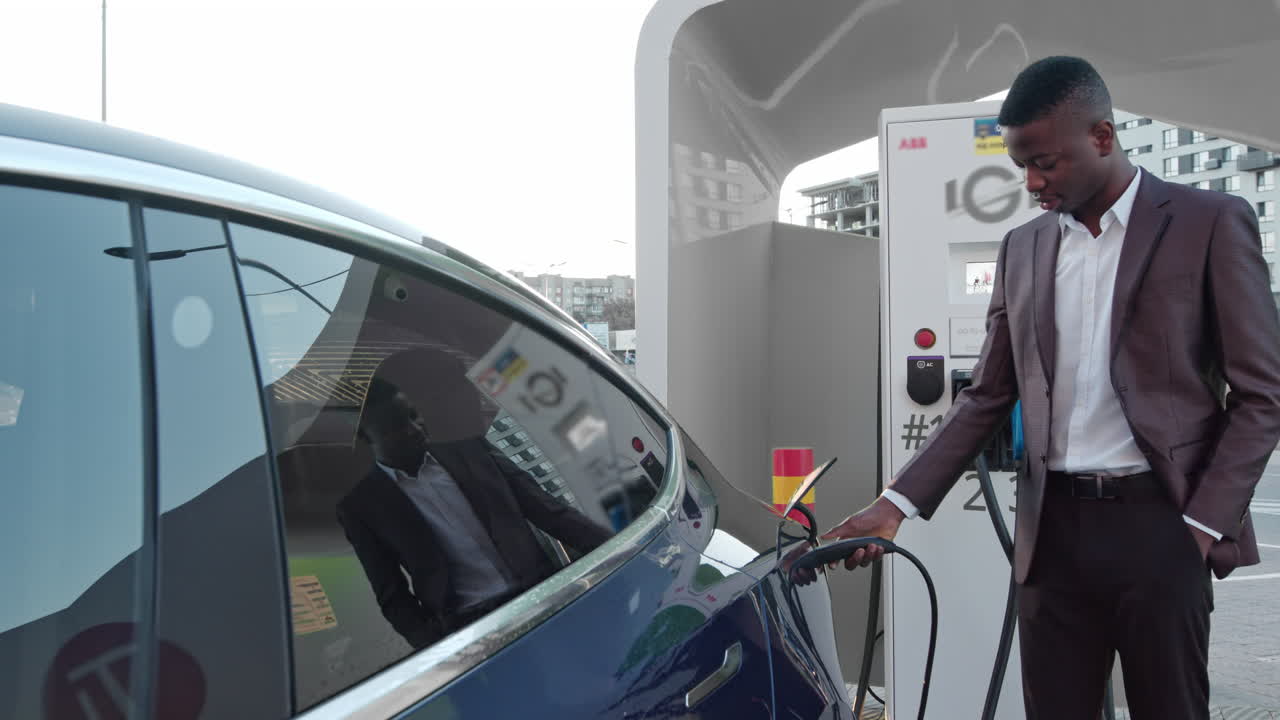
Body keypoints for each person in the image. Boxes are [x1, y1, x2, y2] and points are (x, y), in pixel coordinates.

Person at [822, 56, 1280, 718]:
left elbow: (1262, 397)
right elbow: (986, 396)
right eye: (1022, 168)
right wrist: (893, 504)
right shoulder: (1024, 248)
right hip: (1054, 536)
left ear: (1101, 137)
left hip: (1163, 527)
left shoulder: (1208, 222)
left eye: (1046, 163)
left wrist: (1202, 527)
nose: (1033, 183)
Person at [337, 375, 611, 650]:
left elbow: (550, 512)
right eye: (395, 426)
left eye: (413, 415)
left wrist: (613, 551)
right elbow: (392, 594)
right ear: (364, 436)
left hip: (541, 597)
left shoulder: (473, 451)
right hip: (472, 632)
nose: (414, 429)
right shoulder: (362, 507)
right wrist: (438, 646)